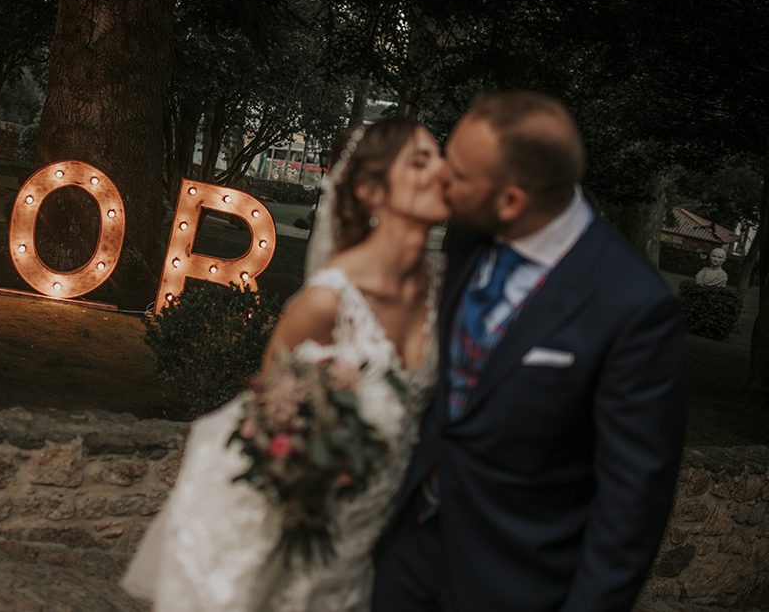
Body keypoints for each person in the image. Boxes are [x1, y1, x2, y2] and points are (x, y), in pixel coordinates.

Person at [372, 92, 688, 612]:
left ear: (512, 200)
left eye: (461, 172)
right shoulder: (470, 241)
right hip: (405, 554)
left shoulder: (633, 308)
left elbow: (632, 507)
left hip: (513, 582)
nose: (442, 177)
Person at [121, 118, 450, 612]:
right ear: (368, 189)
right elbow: (268, 414)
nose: (442, 171)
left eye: (439, 156)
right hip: (313, 540)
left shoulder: (446, 293)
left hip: (388, 540)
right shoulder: (326, 304)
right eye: (420, 161)